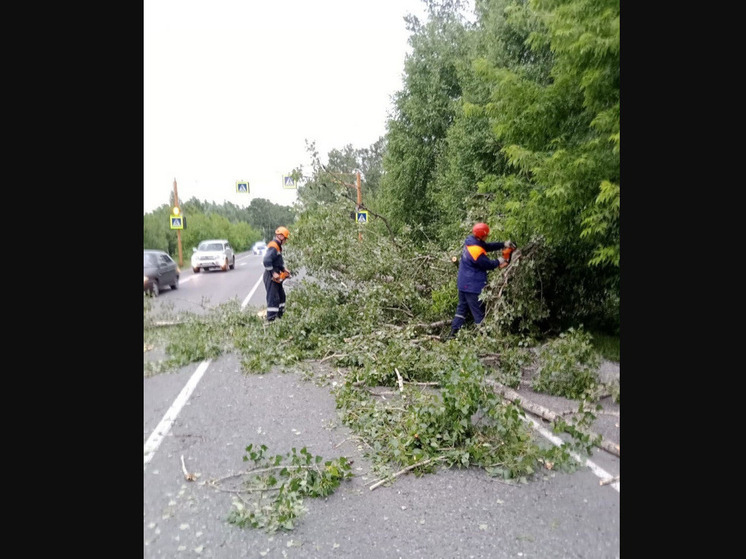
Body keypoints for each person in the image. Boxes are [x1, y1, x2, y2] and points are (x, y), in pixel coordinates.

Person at [448, 222, 516, 338]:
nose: (487, 236)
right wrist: (501, 259)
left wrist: (503, 244)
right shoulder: (476, 252)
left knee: (461, 311)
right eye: (486, 235)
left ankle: (452, 336)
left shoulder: (471, 241)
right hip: (472, 286)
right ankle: (484, 338)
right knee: (479, 314)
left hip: (463, 284)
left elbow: (486, 246)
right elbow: (488, 264)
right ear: (482, 235)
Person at [262, 226, 292, 322]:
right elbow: (266, 260)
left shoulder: (278, 247)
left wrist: (283, 269)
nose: (285, 241)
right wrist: (273, 273)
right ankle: (271, 320)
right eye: (285, 239)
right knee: (273, 298)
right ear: (281, 237)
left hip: (275, 272)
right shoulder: (274, 246)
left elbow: (277, 261)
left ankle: (280, 316)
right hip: (270, 276)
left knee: (281, 296)